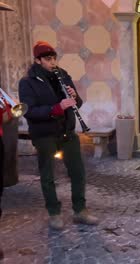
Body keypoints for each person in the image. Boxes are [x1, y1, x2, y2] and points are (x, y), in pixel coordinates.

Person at [18, 41, 98, 230]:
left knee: (78, 172)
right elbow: (29, 111)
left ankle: (80, 210)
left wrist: (74, 96)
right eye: (48, 59)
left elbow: (77, 103)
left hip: (67, 132)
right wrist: (56, 109)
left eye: (54, 58)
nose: (52, 62)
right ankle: (54, 213)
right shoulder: (27, 82)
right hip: (44, 134)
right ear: (38, 60)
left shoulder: (62, 75)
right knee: (48, 176)